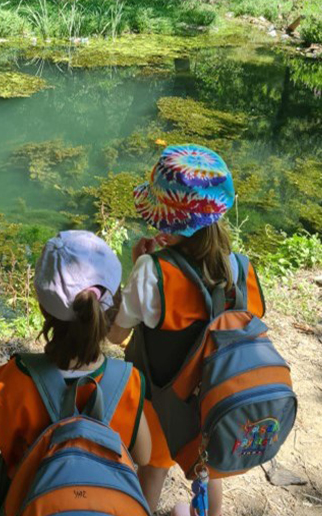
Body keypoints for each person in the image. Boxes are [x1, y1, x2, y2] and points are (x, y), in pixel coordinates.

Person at [109, 144, 266, 516]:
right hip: (215, 397)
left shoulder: (153, 271)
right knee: (208, 469)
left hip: (164, 402)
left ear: (163, 219)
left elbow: (116, 336)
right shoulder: (240, 270)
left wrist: (139, 268)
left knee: (154, 467)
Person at [0, 230, 151, 505]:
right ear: (110, 304)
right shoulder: (128, 382)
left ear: (43, 308)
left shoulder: (13, 380)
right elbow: (145, 456)